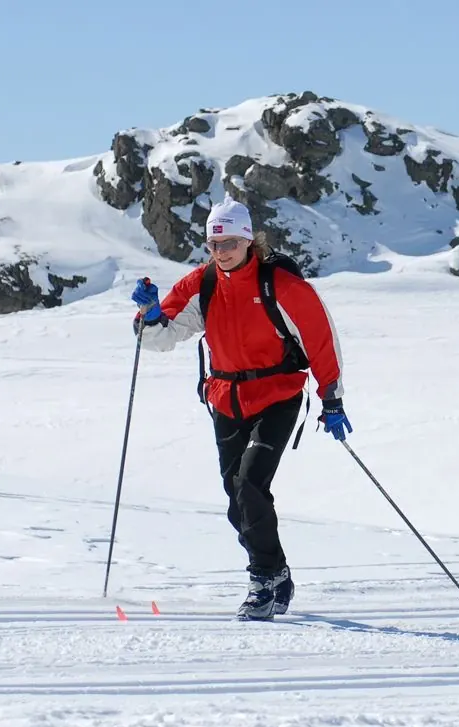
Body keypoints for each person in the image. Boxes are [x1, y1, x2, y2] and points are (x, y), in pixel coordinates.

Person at [129, 198, 351, 621]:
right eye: (214, 243)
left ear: (249, 240)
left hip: (278, 395)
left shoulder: (280, 284)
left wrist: (332, 400)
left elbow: (321, 340)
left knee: (249, 483)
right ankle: (277, 572)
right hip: (225, 399)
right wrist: (150, 313)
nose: (222, 250)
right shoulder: (202, 284)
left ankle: (262, 578)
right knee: (237, 497)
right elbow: (159, 338)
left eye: (230, 241)